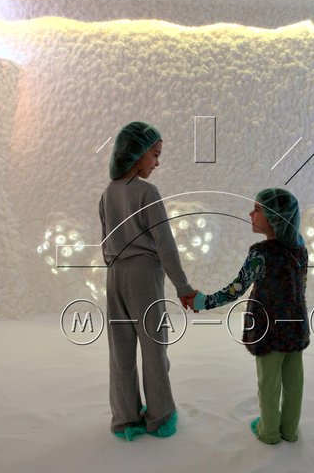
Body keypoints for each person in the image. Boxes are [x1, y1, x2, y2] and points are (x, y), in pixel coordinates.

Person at [99, 121, 196, 441]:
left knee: (120, 349)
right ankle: (160, 416)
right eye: (155, 154)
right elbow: (165, 244)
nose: (157, 162)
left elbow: (105, 241)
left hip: (114, 275)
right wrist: (183, 287)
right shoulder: (146, 192)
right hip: (143, 276)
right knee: (154, 347)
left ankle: (125, 419)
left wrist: (115, 268)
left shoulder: (108, 193)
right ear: (137, 152)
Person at [187, 188, 309, 444]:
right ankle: (289, 430)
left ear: (274, 217)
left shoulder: (261, 254)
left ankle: (269, 432)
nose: (250, 214)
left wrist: (203, 301)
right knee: (294, 381)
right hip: (295, 325)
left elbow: (236, 289)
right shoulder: (300, 249)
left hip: (268, 329)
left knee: (268, 382)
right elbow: (302, 287)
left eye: (257, 209)